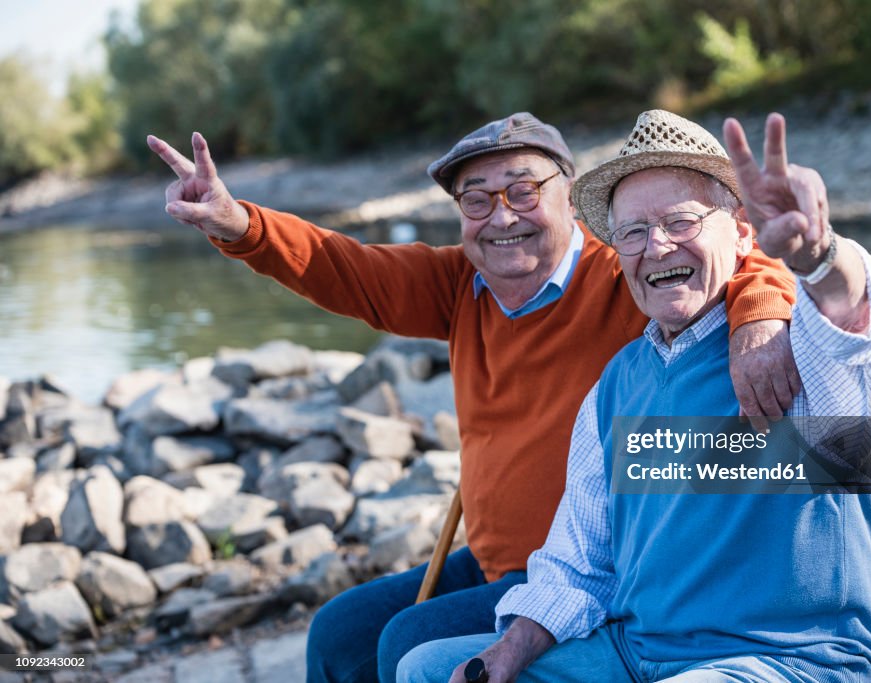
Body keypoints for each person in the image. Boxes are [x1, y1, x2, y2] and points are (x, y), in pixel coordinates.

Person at [146, 113, 800, 683]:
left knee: (409, 643)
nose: (503, 216)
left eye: (523, 190)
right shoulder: (460, 283)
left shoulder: (626, 267)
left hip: (595, 568)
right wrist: (238, 224)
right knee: (338, 634)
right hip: (494, 561)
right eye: (477, 200)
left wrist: (762, 317)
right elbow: (341, 266)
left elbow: (741, 258)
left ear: (569, 195)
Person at [396, 109, 871, 683]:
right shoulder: (615, 384)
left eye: (681, 222)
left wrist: (818, 255)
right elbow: (578, 566)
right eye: (632, 231)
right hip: (635, 655)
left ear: (741, 233)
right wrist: (506, 654)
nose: (656, 246)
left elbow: (851, 315)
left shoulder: (796, 348)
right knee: (424, 667)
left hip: (790, 659)